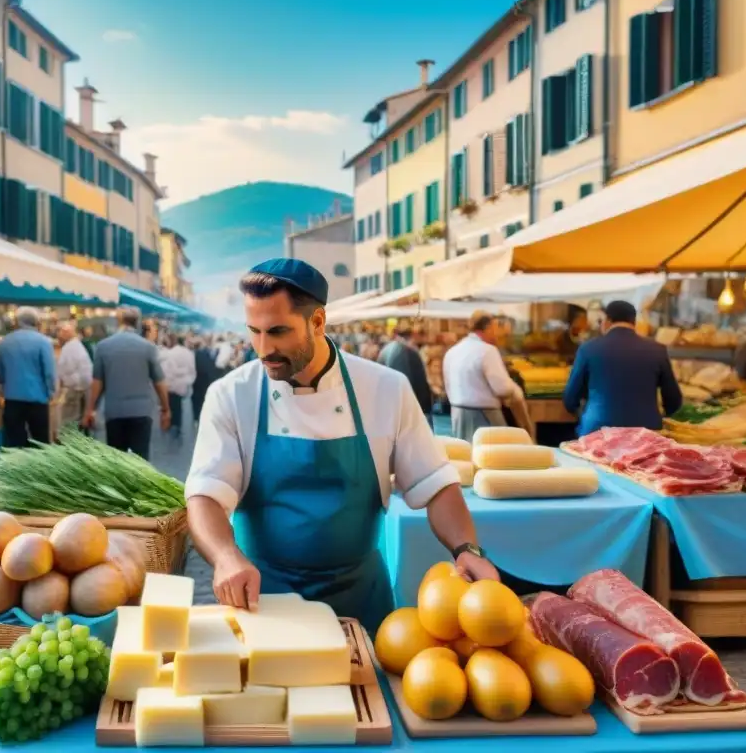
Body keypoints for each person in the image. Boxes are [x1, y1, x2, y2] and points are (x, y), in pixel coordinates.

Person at [185, 259, 497, 635]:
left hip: (361, 601)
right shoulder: (231, 395)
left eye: (278, 331)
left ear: (318, 322)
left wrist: (467, 549)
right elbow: (204, 497)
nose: (263, 348)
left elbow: (436, 485)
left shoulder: (386, 388)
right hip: (263, 601)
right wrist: (224, 557)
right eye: (254, 331)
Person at [563, 300, 682, 436]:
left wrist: (583, 412)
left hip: (597, 433)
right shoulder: (657, 350)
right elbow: (674, 400)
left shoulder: (588, 349)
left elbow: (570, 399)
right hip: (645, 435)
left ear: (607, 321)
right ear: (634, 322)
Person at [84, 308, 170, 460]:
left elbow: (97, 382)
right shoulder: (148, 347)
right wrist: (166, 409)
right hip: (141, 412)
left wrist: (90, 410)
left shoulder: (103, 347)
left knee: (117, 462)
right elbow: (159, 381)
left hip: (114, 412)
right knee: (141, 460)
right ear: (137, 322)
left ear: (119, 321)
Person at [443, 313, 525, 442]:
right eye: (495, 328)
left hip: (458, 415)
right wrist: (514, 388)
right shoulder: (487, 350)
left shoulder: (453, 351)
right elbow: (502, 388)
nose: (497, 334)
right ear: (487, 328)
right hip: (485, 416)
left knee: (467, 455)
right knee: (492, 458)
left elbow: (447, 385)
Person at [0, 308, 56, 447]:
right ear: (36, 322)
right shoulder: (43, 342)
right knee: (40, 444)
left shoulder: (5, 342)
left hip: (12, 400)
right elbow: (49, 372)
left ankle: (18, 468)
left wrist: (0, 391)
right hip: (38, 400)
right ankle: (39, 468)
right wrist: (51, 392)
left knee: (16, 443)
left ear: (16, 322)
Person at [378, 327, 434, 426]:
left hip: (400, 410)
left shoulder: (390, 349)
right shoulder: (400, 350)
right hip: (412, 411)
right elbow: (403, 384)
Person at [56, 321, 93, 429]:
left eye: (61, 332)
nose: (59, 336)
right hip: (80, 391)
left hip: (74, 392)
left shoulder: (70, 348)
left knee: (69, 423)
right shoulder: (76, 346)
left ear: (67, 333)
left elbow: (64, 372)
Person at [160, 335, 197, 441]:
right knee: (179, 405)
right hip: (183, 384)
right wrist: (189, 381)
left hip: (171, 383)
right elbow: (192, 370)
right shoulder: (189, 354)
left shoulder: (170, 353)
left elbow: (168, 370)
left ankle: (172, 424)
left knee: (171, 404)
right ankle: (178, 425)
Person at [192, 336, 219, 425]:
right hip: (205, 380)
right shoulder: (210, 353)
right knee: (202, 399)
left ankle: (197, 418)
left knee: (199, 400)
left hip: (200, 381)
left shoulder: (198, 353)